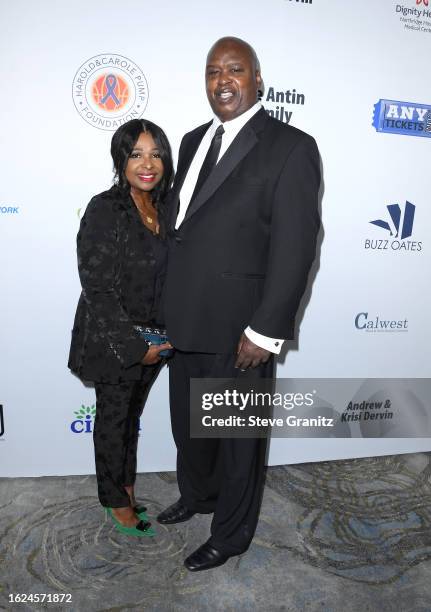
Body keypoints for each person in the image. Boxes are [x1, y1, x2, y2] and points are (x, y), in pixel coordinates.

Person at [158, 37, 321, 570]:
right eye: (212, 71)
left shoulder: (291, 146)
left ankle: (231, 534)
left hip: (240, 329)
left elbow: (296, 247)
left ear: (257, 81)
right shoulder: (189, 141)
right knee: (189, 426)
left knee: (236, 441)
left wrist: (265, 330)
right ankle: (199, 497)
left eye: (235, 70)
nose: (222, 80)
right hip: (185, 319)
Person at [68, 119, 173, 537]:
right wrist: (133, 348)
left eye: (156, 154)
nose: (147, 164)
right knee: (113, 423)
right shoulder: (105, 208)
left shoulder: (163, 208)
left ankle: (126, 487)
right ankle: (115, 500)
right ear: (121, 159)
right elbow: (97, 287)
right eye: (136, 154)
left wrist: (162, 339)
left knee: (131, 420)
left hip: (156, 340)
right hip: (115, 343)